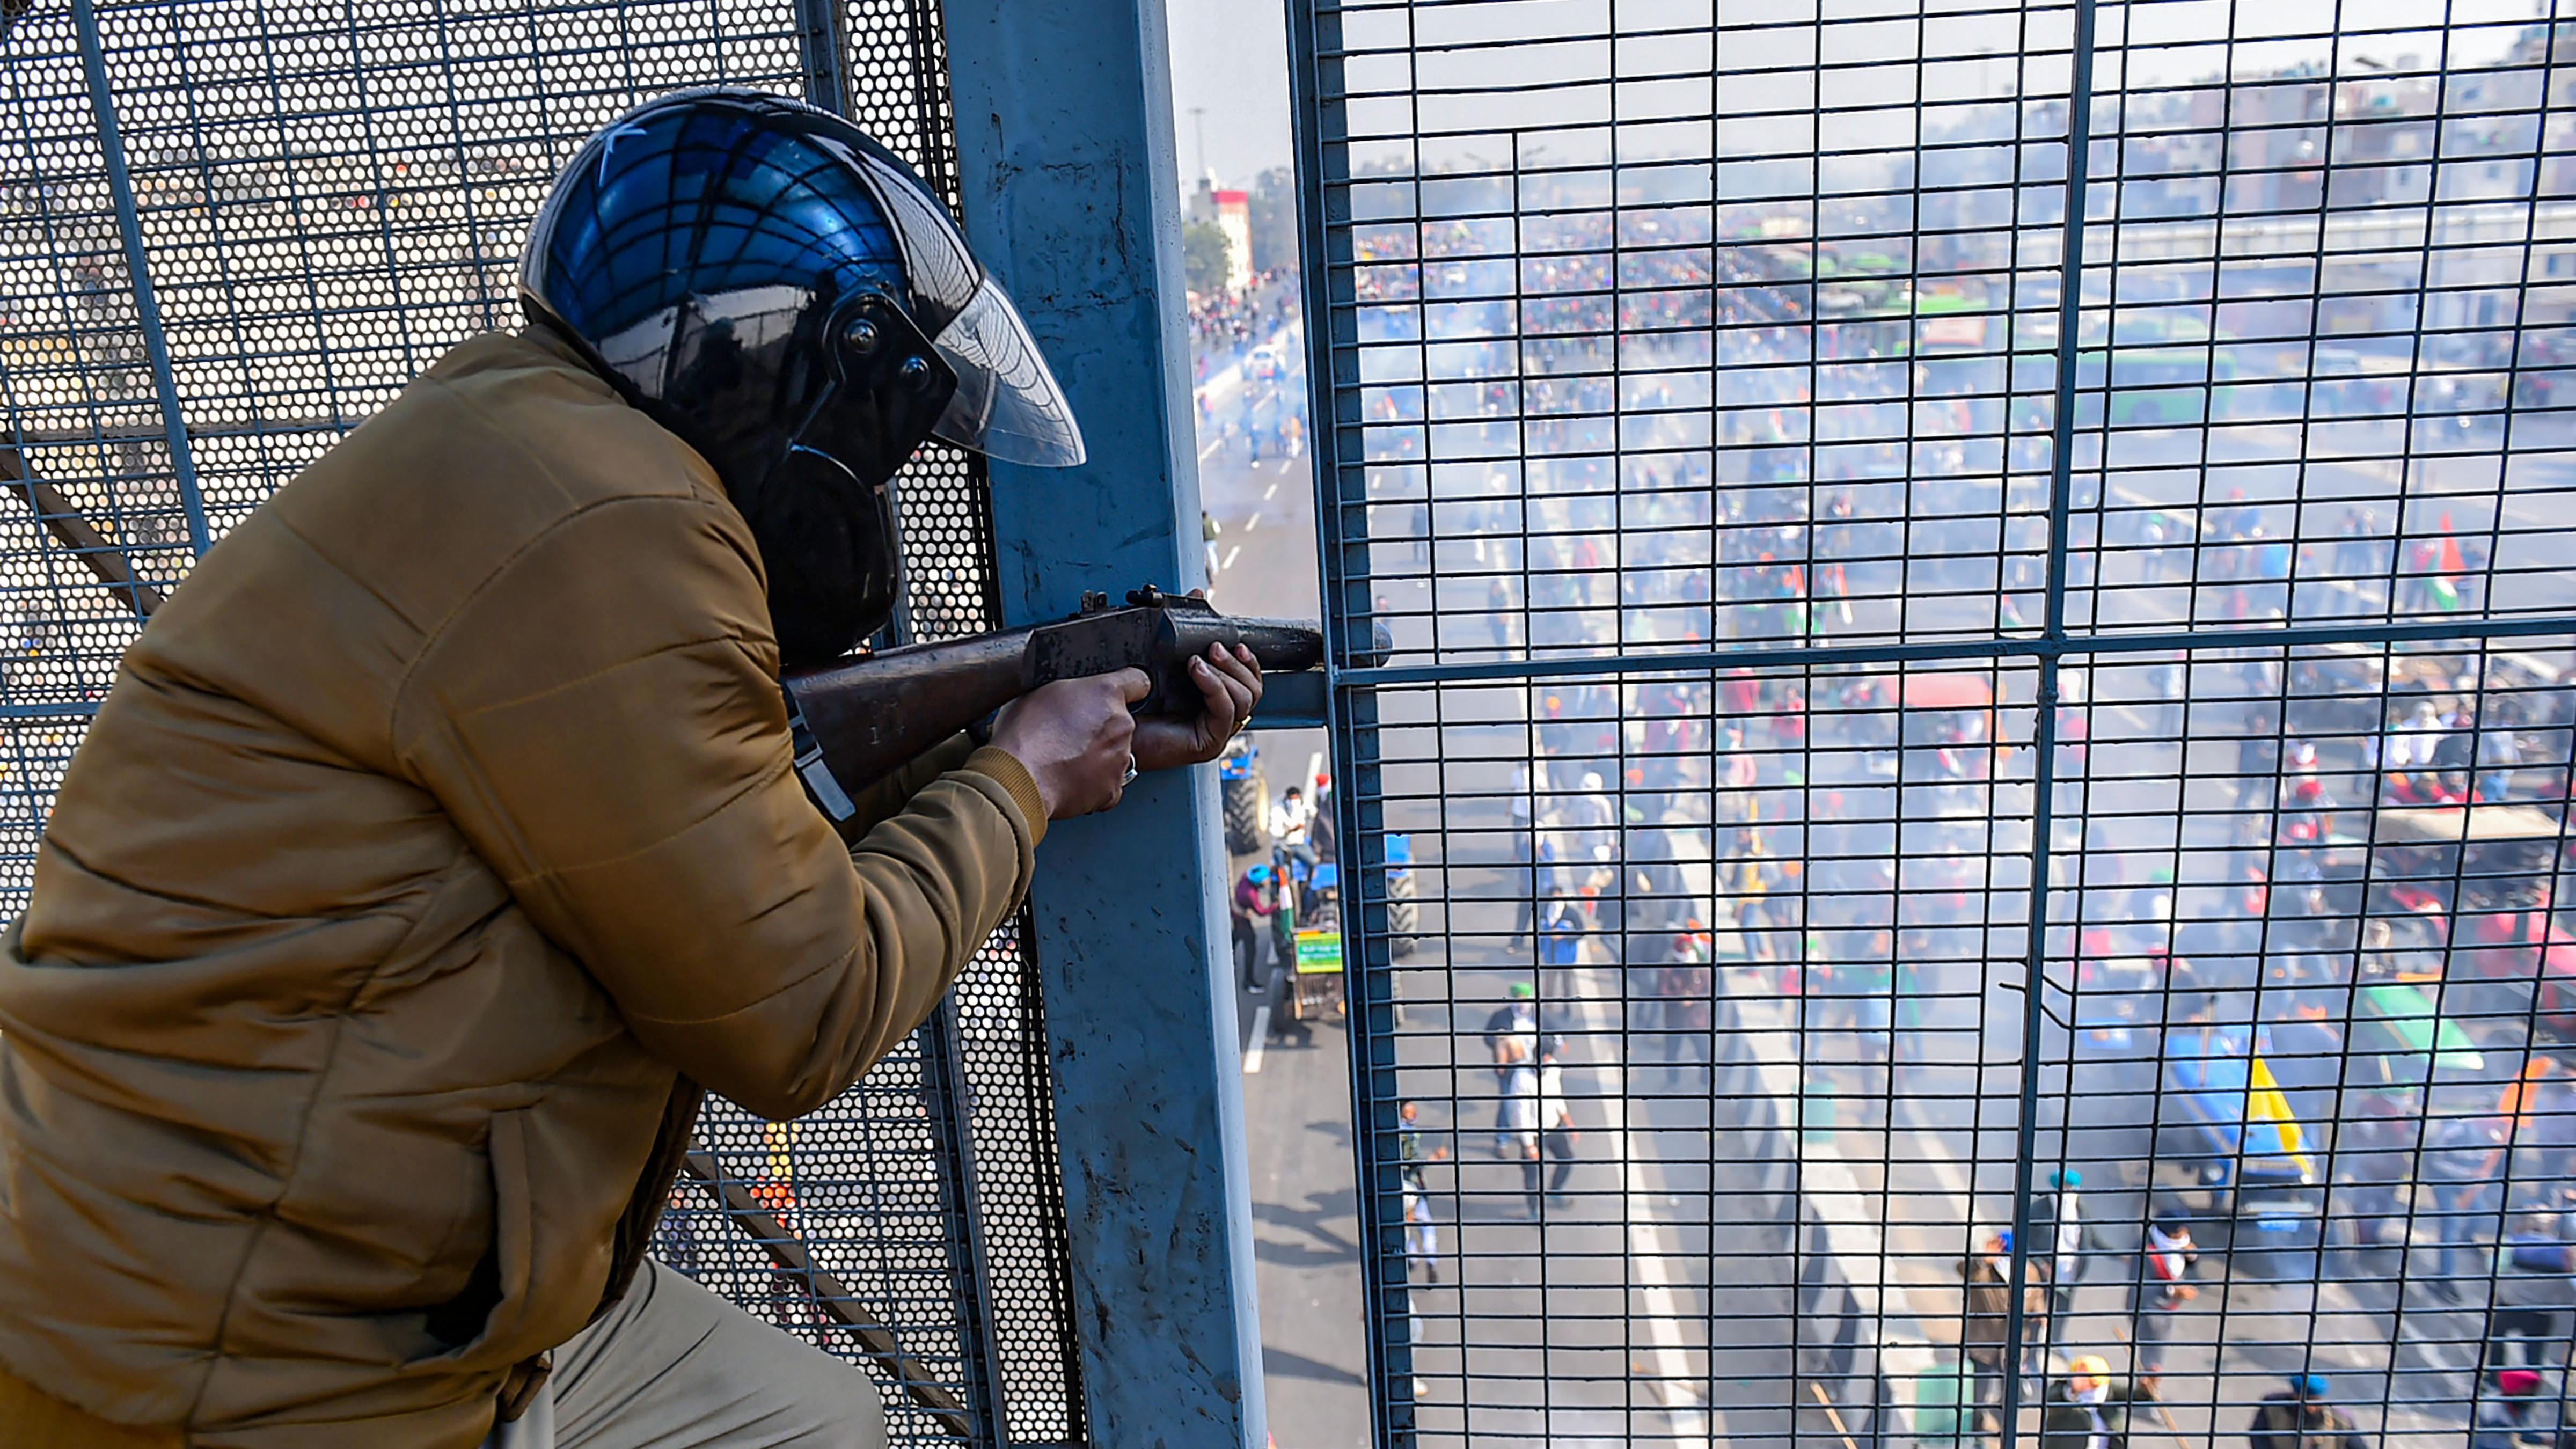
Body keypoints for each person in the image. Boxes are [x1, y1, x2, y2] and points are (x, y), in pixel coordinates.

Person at [0, 91, 1268, 1449]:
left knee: (815, 1416)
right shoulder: (617, 522)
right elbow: (802, 1010)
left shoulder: (529, 451)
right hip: (230, 1351)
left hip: (302, 1260)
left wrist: (1026, 731)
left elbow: (710, 815)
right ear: (808, 366)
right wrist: (1022, 780)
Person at [1962, 1231, 2048, 1436]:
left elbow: (2036, 1294)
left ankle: (2002, 1420)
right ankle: (1976, 1425)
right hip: (1984, 1342)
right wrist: (1983, 1261)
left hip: (2013, 1345)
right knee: (1979, 1392)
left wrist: (2040, 1312)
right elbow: (1964, 1271)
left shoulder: (2029, 1271)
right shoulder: (1984, 1271)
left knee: (2014, 1392)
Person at [2127, 1209, 2200, 1389]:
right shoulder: (2147, 1250)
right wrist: (2173, 1292)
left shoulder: (2178, 1247)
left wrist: (2192, 1258)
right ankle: (2144, 1396)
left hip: (2167, 1310)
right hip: (2148, 1310)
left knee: (2157, 1356)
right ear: (2171, 1233)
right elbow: (2141, 1285)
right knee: (2152, 1358)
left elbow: (2180, 1268)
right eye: (2182, 1231)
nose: (2186, 1235)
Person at [2041, 1356, 2153, 1449]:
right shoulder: (2062, 1390)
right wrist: (2074, 1392)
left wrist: (2147, 1388)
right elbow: (2052, 1400)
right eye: (2078, 1372)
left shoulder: (2106, 1392)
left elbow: (2135, 1397)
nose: (2080, 1377)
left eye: (2086, 1374)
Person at [1397, 1100, 1450, 1283]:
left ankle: (1412, 1258)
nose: (1414, 1114)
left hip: (1397, 1190)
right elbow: (1415, 1163)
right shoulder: (1407, 1134)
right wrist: (1435, 1157)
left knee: (1405, 1227)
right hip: (1413, 1188)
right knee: (1426, 1226)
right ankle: (1431, 1259)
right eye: (1410, 1111)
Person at [2248, 1375, 2370, 1449]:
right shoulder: (2274, 1408)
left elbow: (2358, 1446)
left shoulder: (2340, 1419)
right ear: (2296, 1396)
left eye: (2315, 1401)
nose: (2311, 1408)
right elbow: (2258, 1437)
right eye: (2306, 1401)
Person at [1233, 863, 1280, 990]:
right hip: (1242, 919)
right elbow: (1261, 912)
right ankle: (1248, 982)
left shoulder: (1246, 877)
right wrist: (1275, 906)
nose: (1269, 881)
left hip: (1237, 914)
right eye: (1267, 879)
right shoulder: (1250, 895)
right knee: (1250, 948)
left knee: (1235, 938)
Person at [1272, 782, 1319, 873]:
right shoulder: (1277, 809)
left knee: (1313, 861)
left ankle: (1308, 880)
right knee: (1282, 869)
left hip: (1298, 845)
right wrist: (1290, 830)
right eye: (1291, 799)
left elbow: (1314, 814)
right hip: (1282, 846)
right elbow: (1275, 832)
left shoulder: (1304, 804)